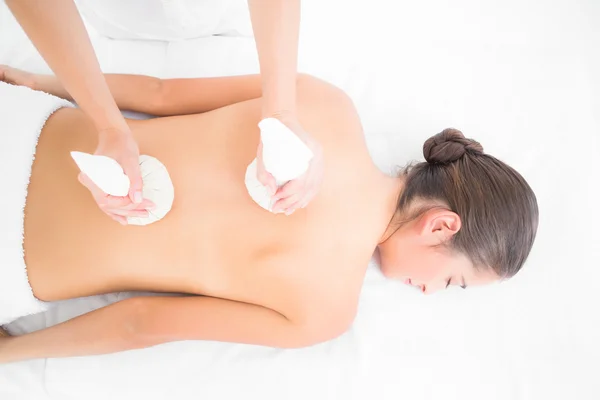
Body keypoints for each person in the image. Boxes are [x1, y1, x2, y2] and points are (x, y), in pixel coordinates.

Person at [0, 66, 538, 363]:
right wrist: (15, 352)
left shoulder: (326, 104)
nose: (429, 291)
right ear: (441, 224)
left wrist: (34, 82)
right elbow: (143, 321)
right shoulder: (325, 313)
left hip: (26, 129)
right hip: (16, 263)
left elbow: (160, 93)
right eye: (451, 281)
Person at [5, 0, 322, 223]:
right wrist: (106, 125)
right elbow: (160, 94)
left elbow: (160, 93)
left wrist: (282, 113)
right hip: (117, 19)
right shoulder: (323, 102)